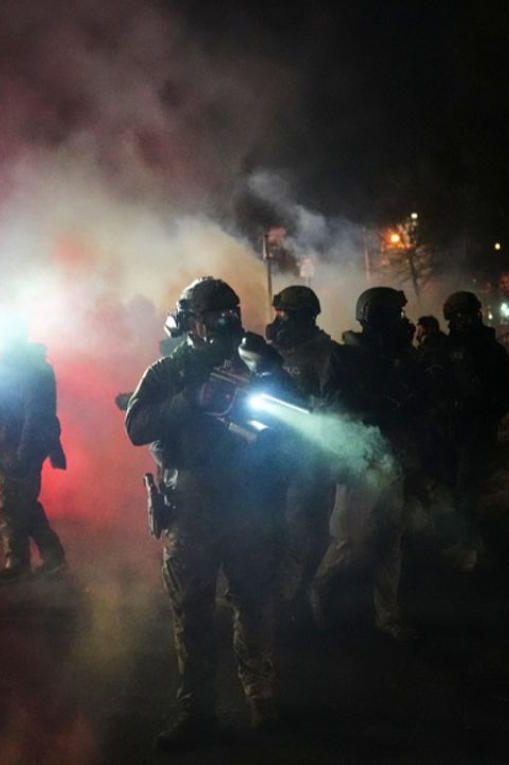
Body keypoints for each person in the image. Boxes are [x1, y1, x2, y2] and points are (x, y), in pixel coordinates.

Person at [125, 277, 290, 750]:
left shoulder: (252, 359)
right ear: (192, 324)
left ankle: (261, 697)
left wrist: (270, 373)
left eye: (231, 314)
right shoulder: (168, 371)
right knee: (192, 613)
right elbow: (136, 426)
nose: (227, 324)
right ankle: (197, 711)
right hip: (191, 507)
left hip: (247, 503)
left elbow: (293, 414)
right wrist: (191, 400)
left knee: (254, 602)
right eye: (216, 317)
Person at [310, 286, 420, 640]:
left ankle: (387, 614)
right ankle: (319, 597)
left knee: (390, 538)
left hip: (391, 459)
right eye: (396, 315)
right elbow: (335, 408)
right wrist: (380, 400)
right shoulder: (346, 358)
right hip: (359, 462)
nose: (403, 322)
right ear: (379, 318)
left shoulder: (401, 357)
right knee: (346, 540)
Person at [424, 290, 509, 572]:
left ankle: (470, 546)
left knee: (468, 489)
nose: (467, 320)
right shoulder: (444, 349)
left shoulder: (491, 350)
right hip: (450, 430)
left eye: (470, 314)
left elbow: (506, 393)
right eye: (461, 315)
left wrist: (484, 415)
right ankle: (465, 540)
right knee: (454, 488)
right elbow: (432, 386)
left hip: (475, 430)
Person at [0, 316, 68, 585]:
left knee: (10, 507)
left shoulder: (32, 370)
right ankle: (53, 557)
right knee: (24, 503)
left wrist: (22, 455)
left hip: (20, 451)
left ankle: (17, 563)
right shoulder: (10, 367)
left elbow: (36, 416)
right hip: (9, 448)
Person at [264, 285, 338, 613]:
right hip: (273, 452)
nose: (278, 321)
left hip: (308, 455)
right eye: (278, 314)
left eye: (285, 314)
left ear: (305, 317)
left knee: (303, 525)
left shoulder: (326, 354)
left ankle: (297, 594)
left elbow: (331, 405)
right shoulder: (275, 352)